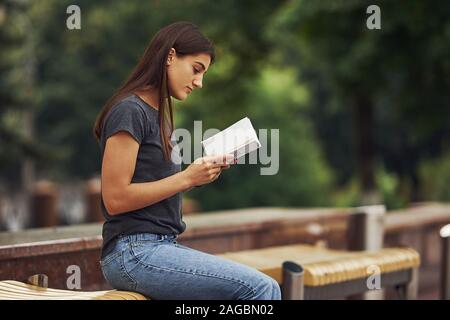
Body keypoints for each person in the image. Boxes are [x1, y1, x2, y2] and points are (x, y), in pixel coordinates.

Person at [92, 21, 281, 300]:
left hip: (159, 247)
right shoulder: (129, 110)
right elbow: (115, 198)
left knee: (264, 286)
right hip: (133, 253)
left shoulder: (159, 117)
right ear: (170, 56)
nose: (199, 82)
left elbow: (157, 186)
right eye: (196, 69)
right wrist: (187, 177)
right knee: (261, 288)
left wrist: (199, 175)